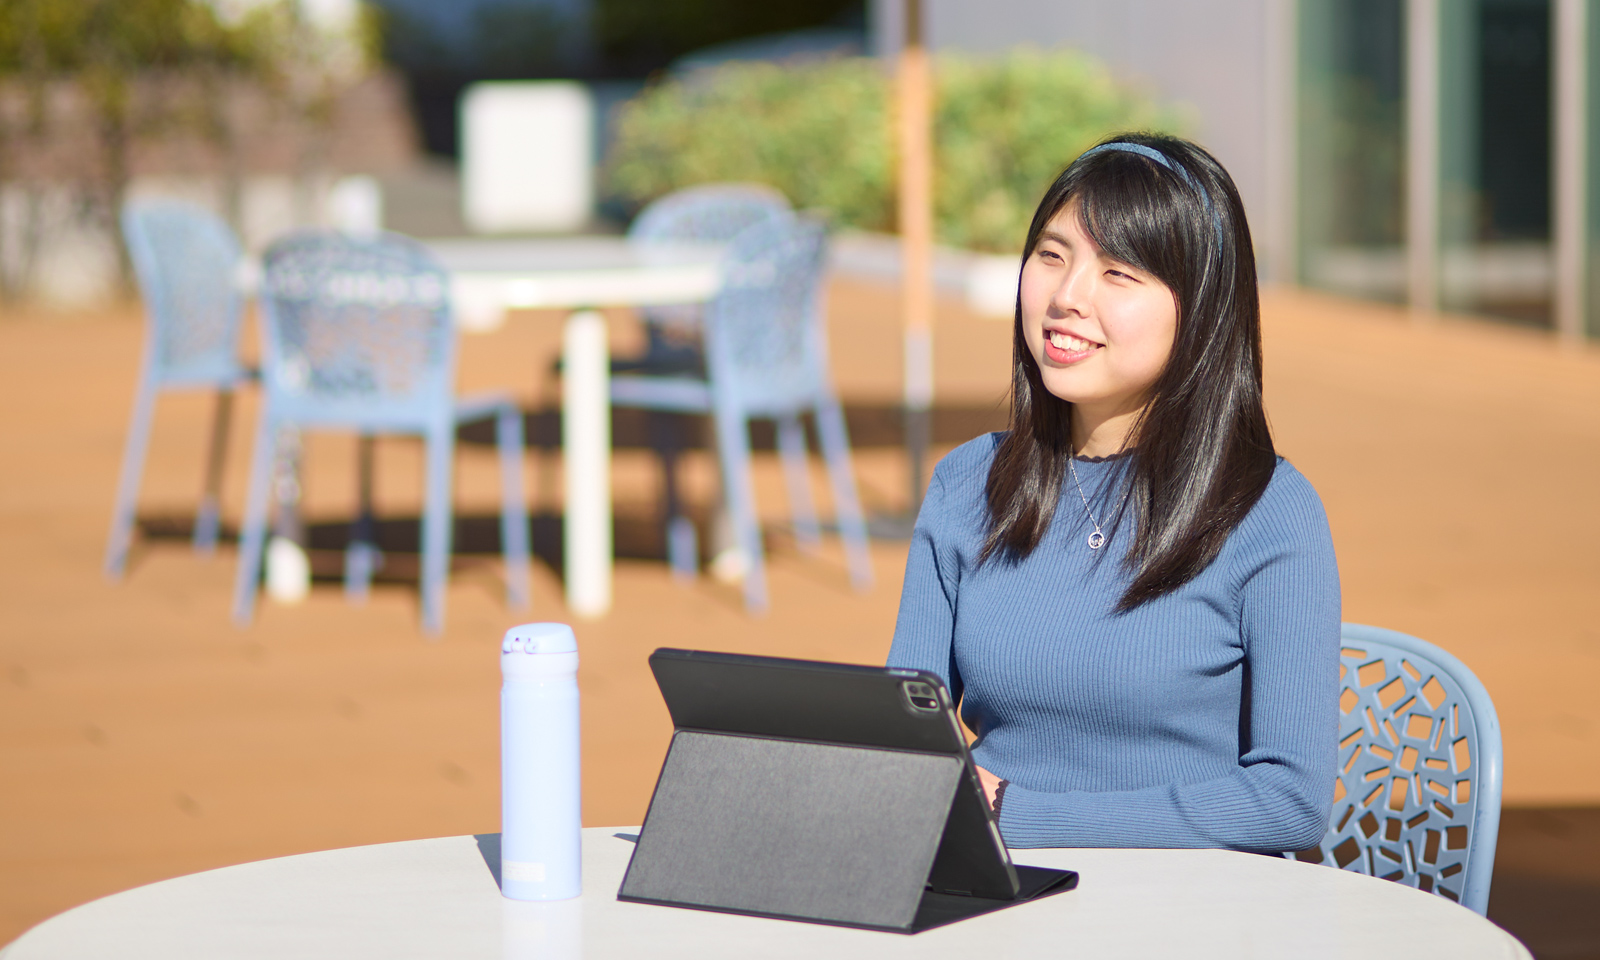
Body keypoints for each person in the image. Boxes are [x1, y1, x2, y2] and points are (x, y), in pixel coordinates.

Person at [887, 133, 1340, 853]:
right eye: (1052, 255)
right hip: (991, 894)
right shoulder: (967, 484)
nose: (1068, 297)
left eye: (1118, 272)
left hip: (1186, 911)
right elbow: (903, 737)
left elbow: (1288, 802)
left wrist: (1019, 815)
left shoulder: (1267, 509)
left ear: (1200, 312)